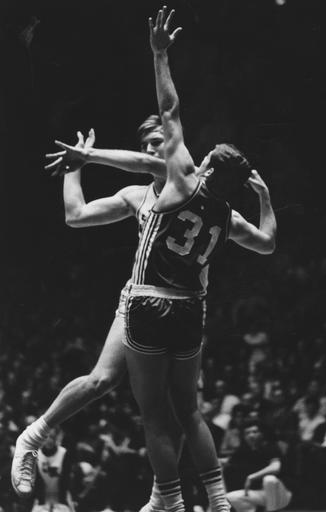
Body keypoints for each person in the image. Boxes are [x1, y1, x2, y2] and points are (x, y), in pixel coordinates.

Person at [121, 7, 276, 512]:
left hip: (148, 300)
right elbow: (269, 244)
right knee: (190, 410)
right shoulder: (229, 216)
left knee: (152, 413)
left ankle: (169, 499)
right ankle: (217, 498)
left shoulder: (181, 180)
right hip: (191, 309)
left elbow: (169, 110)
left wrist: (159, 54)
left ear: (206, 165)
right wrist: (266, 199)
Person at [11, 115, 181, 511]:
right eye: (148, 145)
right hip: (142, 299)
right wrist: (75, 168)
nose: (154, 150)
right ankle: (32, 437)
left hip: (183, 306)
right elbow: (77, 216)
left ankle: (163, 498)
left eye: (160, 141)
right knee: (101, 379)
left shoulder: (185, 179)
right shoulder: (136, 195)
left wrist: (90, 155)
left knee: (179, 408)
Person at [224, 420, 291, 512]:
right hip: (262, 494)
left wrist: (252, 477)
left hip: (280, 494)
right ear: (244, 436)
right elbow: (228, 462)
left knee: (269, 479)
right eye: (247, 433)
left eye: (255, 432)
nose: (251, 435)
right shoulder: (243, 451)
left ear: (262, 434)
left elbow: (276, 467)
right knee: (230, 497)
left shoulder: (270, 447)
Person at [31, 427, 75, 512]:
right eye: (46, 437)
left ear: (56, 438)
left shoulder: (64, 453)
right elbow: (37, 483)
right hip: (43, 497)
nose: (49, 440)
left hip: (61, 497)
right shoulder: (36, 455)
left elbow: (65, 481)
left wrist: (61, 503)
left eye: (52, 437)